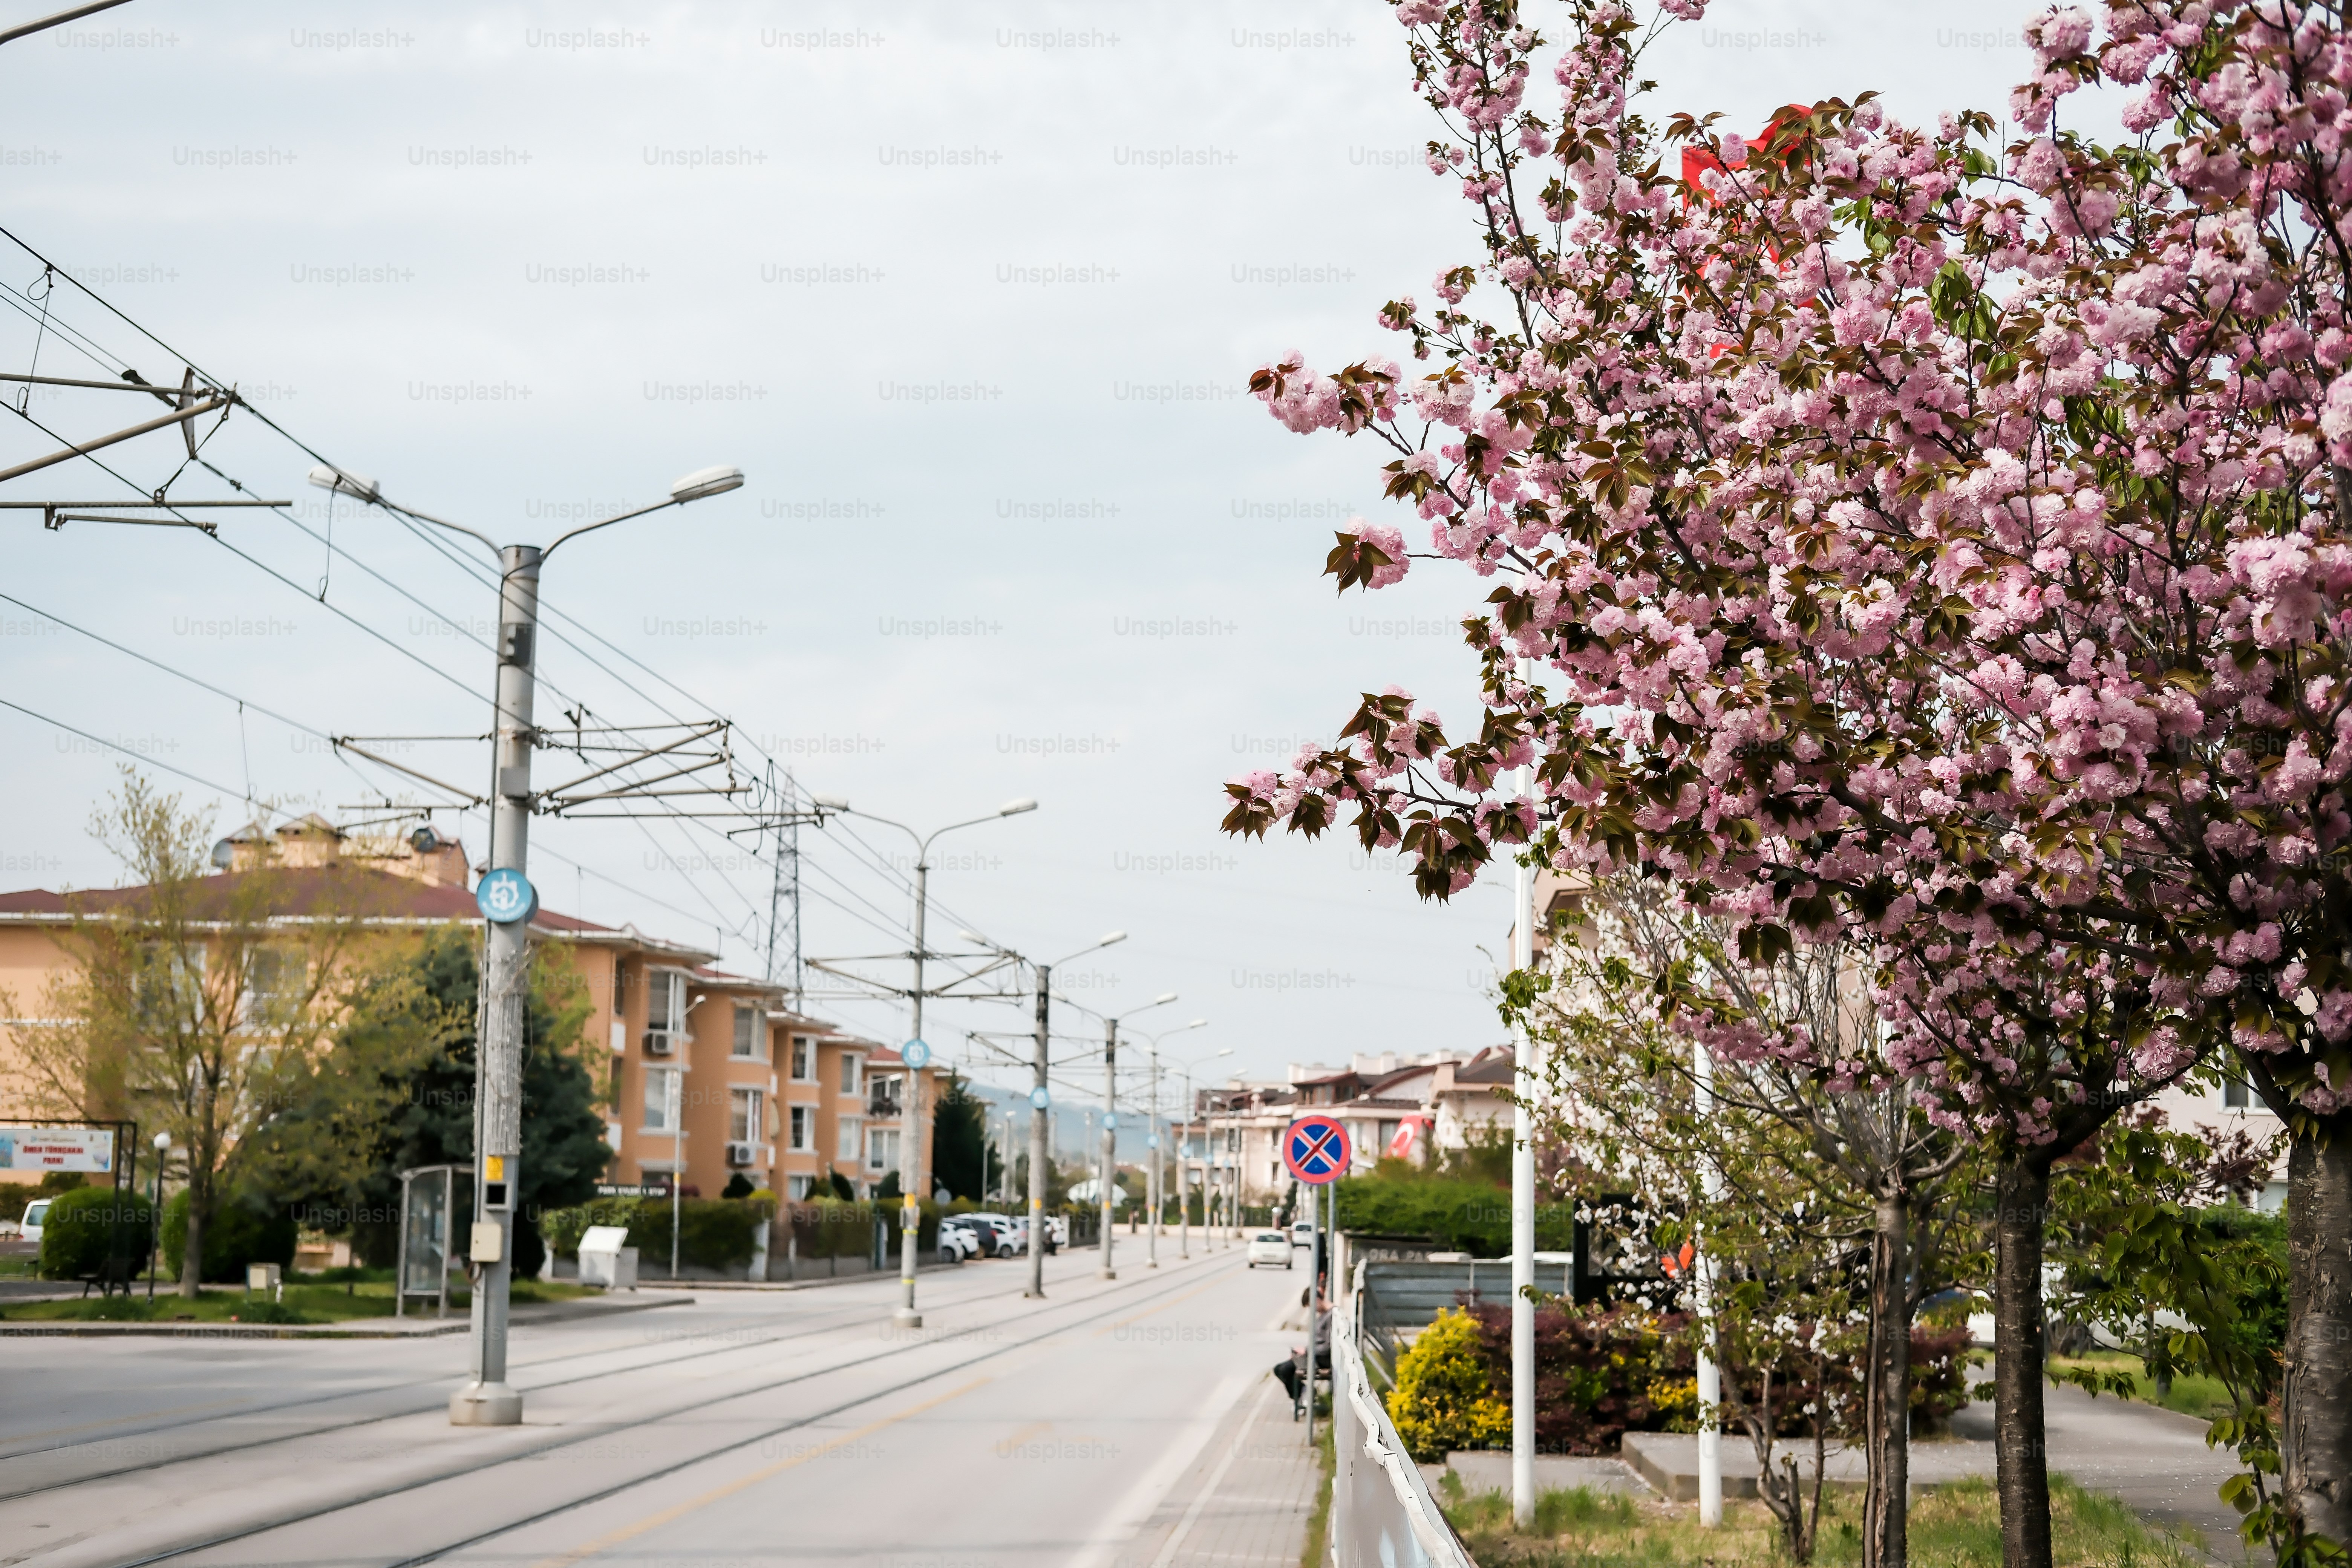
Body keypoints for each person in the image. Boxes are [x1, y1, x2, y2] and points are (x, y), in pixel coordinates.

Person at [1272, 1289, 1332, 1405]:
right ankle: (1303, 1394)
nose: (1313, 1310)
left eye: (1311, 1306)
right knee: (1279, 1369)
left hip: (1321, 1360)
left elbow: (1328, 1347)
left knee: (1285, 1370)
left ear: (1317, 1300)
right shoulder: (1324, 1315)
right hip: (1314, 1356)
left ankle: (1303, 1396)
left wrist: (1307, 1351)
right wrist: (1299, 1353)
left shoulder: (1331, 1316)